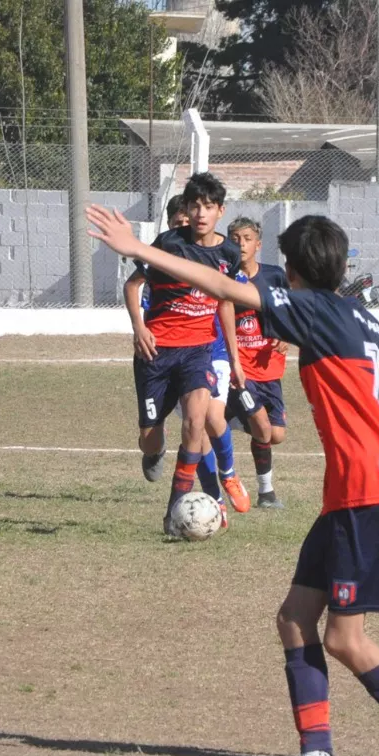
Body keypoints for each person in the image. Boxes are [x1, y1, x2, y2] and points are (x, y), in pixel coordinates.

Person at [91, 203, 379, 756]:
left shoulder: (316, 311)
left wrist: (139, 249)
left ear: (291, 272)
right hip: (363, 494)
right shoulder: (361, 317)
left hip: (363, 497)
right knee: (295, 618)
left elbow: (219, 285)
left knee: (347, 640)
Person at [123, 174, 244, 533]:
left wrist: (235, 359)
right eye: (195, 206)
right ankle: (154, 451)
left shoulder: (228, 254)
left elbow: (225, 302)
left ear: (220, 211)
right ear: (187, 210)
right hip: (156, 352)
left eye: (208, 206)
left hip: (198, 351)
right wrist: (139, 327)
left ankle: (174, 511)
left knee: (195, 422)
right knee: (151, 437)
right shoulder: (170, 243)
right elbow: (133, 286)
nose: (201, 213)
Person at [226, 217, 290, 509]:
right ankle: (267, 494)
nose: (241, 244)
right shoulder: (225, 279)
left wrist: (286, 335)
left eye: (247, 238)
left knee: (276, 435)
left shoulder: (275, 276)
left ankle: (234, 417)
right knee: (263, 430)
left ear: (258, 244)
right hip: (240, 370)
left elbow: (291, 310)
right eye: (236, 238)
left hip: (270, 370)